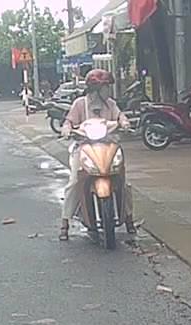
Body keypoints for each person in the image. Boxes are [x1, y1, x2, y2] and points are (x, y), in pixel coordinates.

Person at [58, 68, 136, 241]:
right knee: (74, 182)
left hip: (108, 146)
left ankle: (129, 218)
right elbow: (69, 121)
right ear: (96, 89)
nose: (108, 90)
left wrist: (124, 122)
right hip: (84, 147)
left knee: (124, 182)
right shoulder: (80, 104)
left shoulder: (111, 104)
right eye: (105, 87)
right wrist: (67, 128)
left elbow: (120, 116)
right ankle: (65, 222)